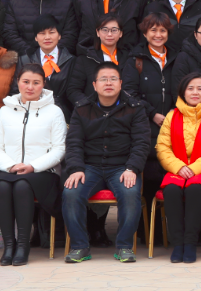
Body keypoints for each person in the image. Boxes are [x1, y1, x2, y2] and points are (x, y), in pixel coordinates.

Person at [62, 63, 150, 263]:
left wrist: (132, 168)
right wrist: (76, 168)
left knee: (130, 193)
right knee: (71, 192)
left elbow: (141, 143)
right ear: (94, 85)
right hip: (89, 167)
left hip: (122, 167)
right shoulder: (82, 108)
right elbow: (74, 142)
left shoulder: (135, 108)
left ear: (121, 83)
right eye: (103, 79)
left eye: (113, 79)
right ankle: (79, 246)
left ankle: (124, 246)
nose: (108, 83)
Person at [0, 64, 65, 266]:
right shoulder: (5, 111)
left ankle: (23, 245)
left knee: (22, 185)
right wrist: (10, 166)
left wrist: (33, 166)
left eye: (36, 83)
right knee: (2, 186)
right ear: (18, 82)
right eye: (26, 82)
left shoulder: (54, 111)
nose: (30, 87)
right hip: (9, 169)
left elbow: (59, 149)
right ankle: (9, 245)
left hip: (43, 171)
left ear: (43, 84)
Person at [153, 73, 201, 263]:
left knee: (194, 189)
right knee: (171, 190)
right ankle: (178, 244)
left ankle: (190, 243)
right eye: (190, 88)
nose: (195, 92)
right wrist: (178, 167)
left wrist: (194, 168)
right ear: (183, 92)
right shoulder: (172, 116)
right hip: (177, 169)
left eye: (200, 89)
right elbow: (162, 147)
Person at [121, 13, 179, 194]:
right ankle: (147, 213)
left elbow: (185, 89)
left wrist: (174, 112)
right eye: (153, 30)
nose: (158, 35)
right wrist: (152, 114)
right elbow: (129, 93)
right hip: (145, 125)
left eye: (163, 30)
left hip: (173, 123)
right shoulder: (135, 60)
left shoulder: (177, 58)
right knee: (149, 178)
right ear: (145, 33)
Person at [16, 13, 76, 120]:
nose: (47, 37)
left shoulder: (71, 60)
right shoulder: (25, 60)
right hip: (32, 114)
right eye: (42, 33)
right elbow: (16, 90)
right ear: (36, 37)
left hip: (64, 114)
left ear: (59, 35)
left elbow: (74, 91)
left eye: (52, 32)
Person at [66, 16, 125, 110]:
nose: (109, 34)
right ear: (97, 32)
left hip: (122, 111)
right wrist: (90, 107)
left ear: (121, 33)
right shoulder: (85, 58)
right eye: (104, 30)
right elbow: (73, 90)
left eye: (114, 30)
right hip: (92, 112)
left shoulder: (128, 58)